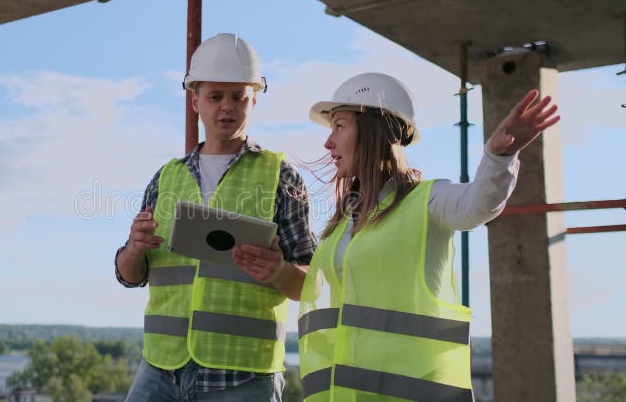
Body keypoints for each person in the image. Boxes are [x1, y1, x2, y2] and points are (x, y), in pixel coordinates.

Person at [291, 73, 559, 401]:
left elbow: (478, 203)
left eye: (340, 126)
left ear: (375, 130)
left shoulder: (427, 201)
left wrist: (498, 157)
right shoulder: (344, 221)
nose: (328, 142)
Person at [115, 33, 317, 401]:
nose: (227, 107)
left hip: (242, 377)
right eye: (215, 96)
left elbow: (312, 285)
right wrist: (134, 249)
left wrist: (278, 271)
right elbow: (129, 276)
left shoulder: (281, 177)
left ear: (255, 98)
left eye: (238, 96)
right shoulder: (166, 178)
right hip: (161, 369)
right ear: (195, 101)